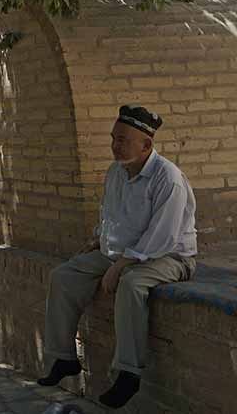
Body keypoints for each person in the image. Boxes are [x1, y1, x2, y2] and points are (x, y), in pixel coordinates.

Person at [38, 105, 197, 409]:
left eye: (123, 140)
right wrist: (98, 239)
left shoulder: (168, 178)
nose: (115, 145)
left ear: (146, 145)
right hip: (122, 252)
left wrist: (120, 266)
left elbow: (161, 236)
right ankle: (63, 358)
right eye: (114, 138)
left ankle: (128, 372)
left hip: (169, 257)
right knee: (64, 275)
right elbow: (112, 214)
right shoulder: (116, 171)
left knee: (132, 284)